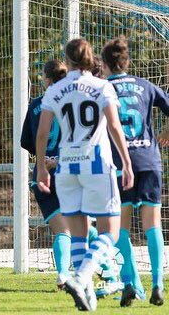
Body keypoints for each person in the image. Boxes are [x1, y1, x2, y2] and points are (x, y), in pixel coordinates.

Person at [36, 38, 134, 311]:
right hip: (96, 164)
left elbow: (42, 133)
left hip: (66, 168)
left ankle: (87, 297)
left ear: (67, 61)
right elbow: (114, 126)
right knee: (109, 233)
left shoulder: (55, 90)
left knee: (78, 234)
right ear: (91, 58)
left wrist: (42, 166)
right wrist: (126, 162)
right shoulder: (102, 86)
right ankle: (81, 278)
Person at [101, 37, 169, 307]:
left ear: (105, 64)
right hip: (149, 160)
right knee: (153, 223)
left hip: (121, 162)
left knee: (121, 227)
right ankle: (158, 283)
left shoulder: (103, 88)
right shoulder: (145, 85)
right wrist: (166, 131)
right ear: (127, 62)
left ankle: (129, 282)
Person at [21, 60, 71, 288]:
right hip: (72, 170)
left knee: (64, 230)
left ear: (47, 79)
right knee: (79, 226)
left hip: (43, 173)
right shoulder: (74, 101)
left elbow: (27, 142)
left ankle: (64, 273)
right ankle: (104, 266)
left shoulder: (35, 105)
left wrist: (45, 159)